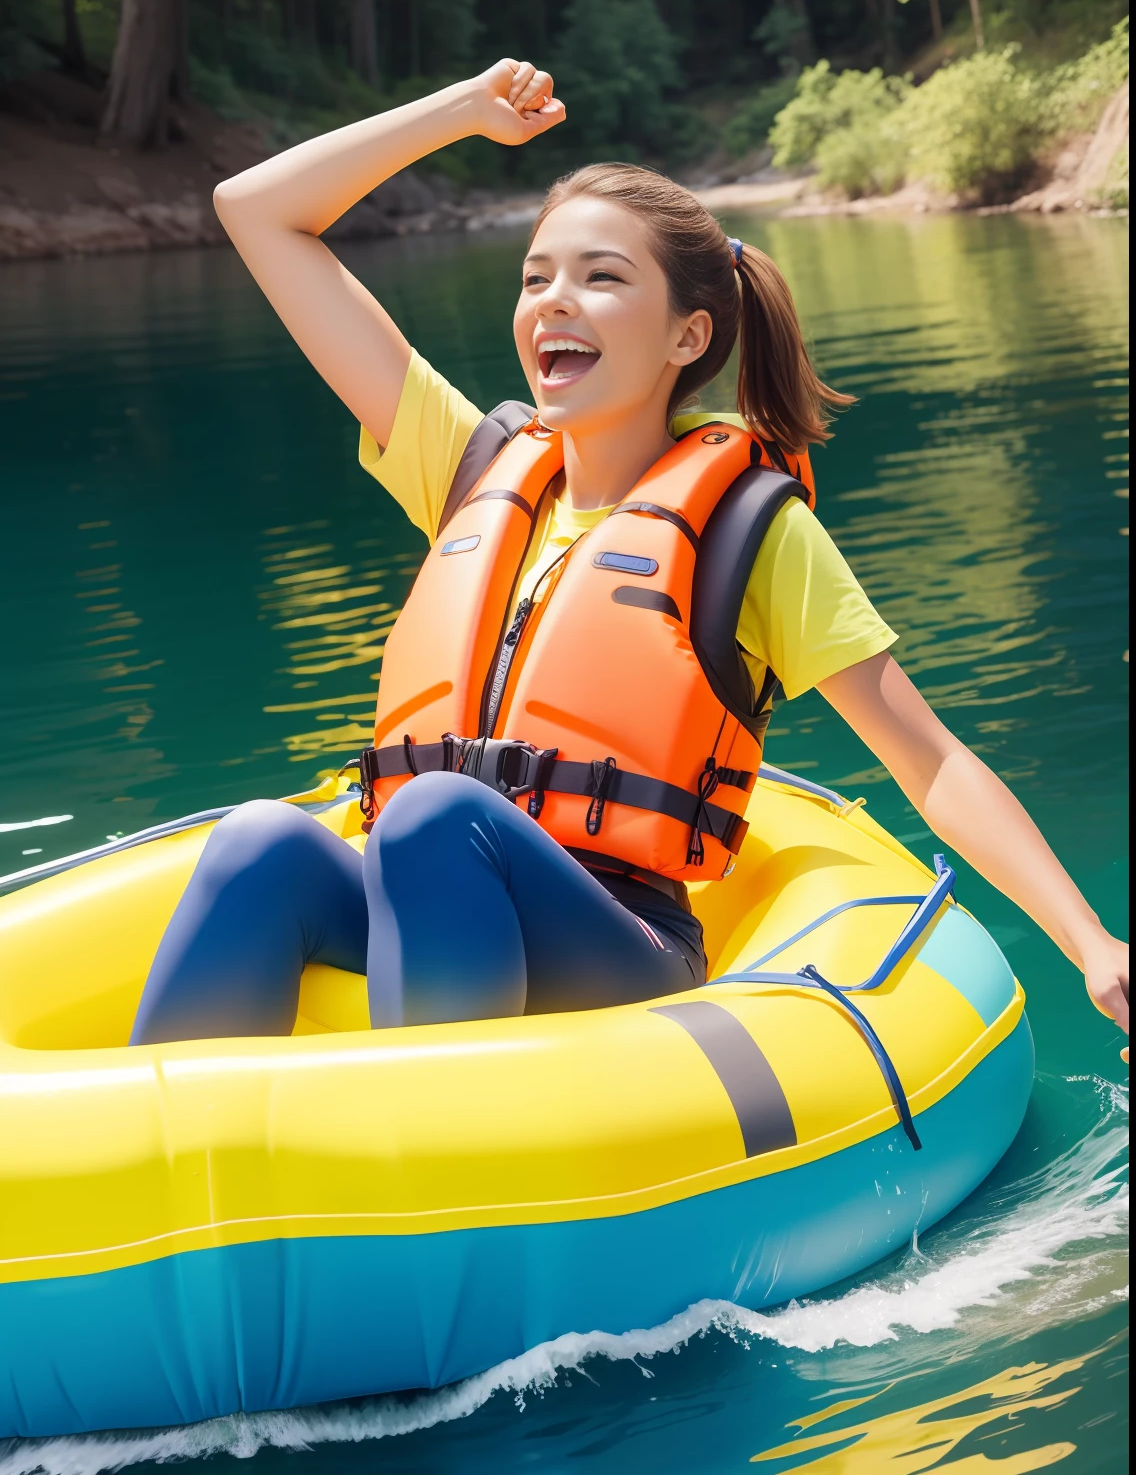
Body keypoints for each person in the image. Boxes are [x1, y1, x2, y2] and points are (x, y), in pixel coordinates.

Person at [131, 60, 1129, 1060]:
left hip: (621, 939)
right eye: (535, 278)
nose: (553, 301)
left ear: (685, 334)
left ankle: (434, 1163)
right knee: (260, 842)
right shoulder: (467, 465)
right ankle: (140, 1181)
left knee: (436, 812)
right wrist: (460, 114)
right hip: (438, 877)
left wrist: (1089, 944)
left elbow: (930, 759)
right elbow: (255, 212)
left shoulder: (748, 531)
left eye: (600, 277)